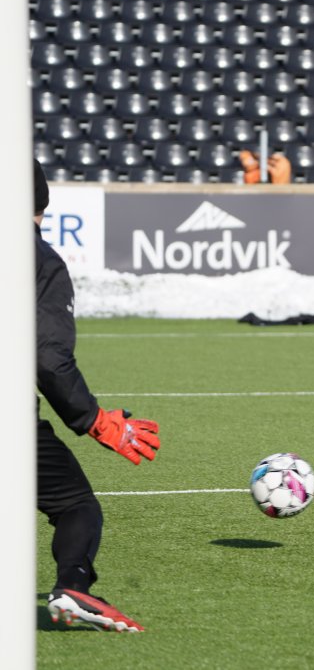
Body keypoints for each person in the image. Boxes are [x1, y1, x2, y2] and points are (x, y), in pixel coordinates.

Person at [35, 159, 161, 630]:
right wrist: (95, 419)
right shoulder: (39, 260)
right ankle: (72, 587)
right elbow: (47, 358)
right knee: (76, 506)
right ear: (41, 206)